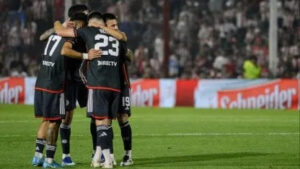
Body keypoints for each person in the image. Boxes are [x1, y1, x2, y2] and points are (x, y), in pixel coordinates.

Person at [54, 11, 127, 168]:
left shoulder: (88, 31)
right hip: (115, 85)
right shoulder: (116, 35)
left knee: (99, 123)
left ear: (91, 23)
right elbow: (124, 40)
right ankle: (98, 158)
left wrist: (57, 22)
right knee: (106, 123)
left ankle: (107, 161)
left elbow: (60, 31)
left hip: (97, 83)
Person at [103, 13, 133, 166]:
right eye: (112, 25)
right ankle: (109, 155)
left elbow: (130, 56)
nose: (116, 27)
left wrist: (128, 54)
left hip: (121, 84)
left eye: (116, 25)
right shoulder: (99, 41)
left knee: (123, 119)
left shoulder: (120, 38)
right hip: (105, 84)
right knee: (105, 120)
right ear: (105, 27)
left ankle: (128, 154)